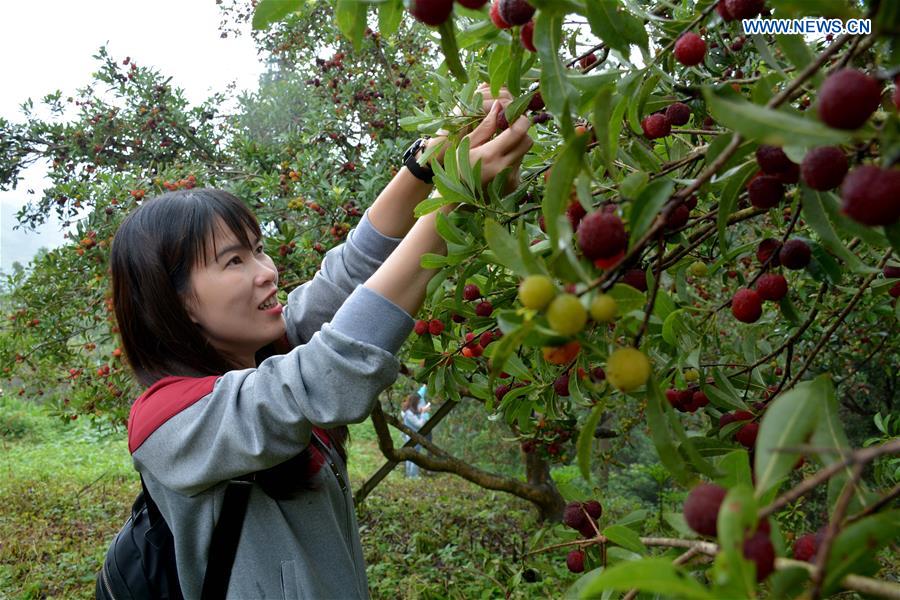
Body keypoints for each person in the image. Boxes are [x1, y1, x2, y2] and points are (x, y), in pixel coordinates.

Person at [108, 86, 532, 599]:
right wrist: (450, 209)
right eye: (234, 261)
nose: (267, 272)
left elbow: (351, 270)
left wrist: (431, 161)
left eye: (259, 250)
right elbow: (329, 373)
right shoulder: (169, 423)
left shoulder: (271, 351)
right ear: (174, 302)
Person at [400, 393, 430, 478]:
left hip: (410, 436)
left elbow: (415, 414)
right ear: (414, 403)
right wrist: (424, 413)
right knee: (414, 456)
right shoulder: (409, 413)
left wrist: (421, 410)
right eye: (418, 402)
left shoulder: (407, 411)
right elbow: (419, 424)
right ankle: (413, 476)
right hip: (413, 438)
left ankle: (410, 475)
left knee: (410, 456)